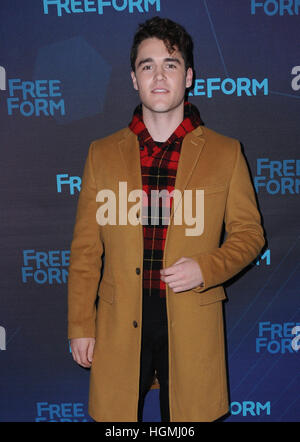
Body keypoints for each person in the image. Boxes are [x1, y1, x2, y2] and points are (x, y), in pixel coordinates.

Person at [68, 16, 265, 422]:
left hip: (191, 323)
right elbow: (86, 249)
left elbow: (250, 235)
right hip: (120, 327)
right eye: (147, 65)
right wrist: (80, 325)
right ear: (133, 79)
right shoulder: (101, 154)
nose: (159, 76)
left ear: (188, 76)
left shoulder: (226, 153)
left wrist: (206, 268)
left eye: (170, 64)